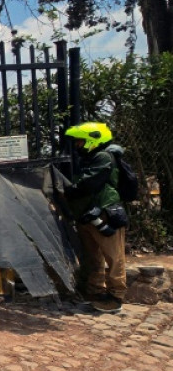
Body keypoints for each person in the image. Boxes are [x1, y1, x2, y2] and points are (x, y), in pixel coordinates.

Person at [64, 121, 127, 313]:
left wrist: (70, 190)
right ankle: (95, 293)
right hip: (87, 216)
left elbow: (88, 183)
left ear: (92, 140)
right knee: (93, 257)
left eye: (80, 142)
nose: (77, 145)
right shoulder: (90, 158)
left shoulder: (103, 157)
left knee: (114, 257)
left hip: (104, 214)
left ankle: (116, 296)